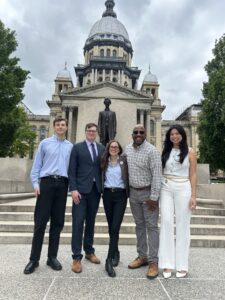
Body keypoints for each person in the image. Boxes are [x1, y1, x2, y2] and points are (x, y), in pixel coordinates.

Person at [24, 117, 73, 274]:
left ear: (66, 127)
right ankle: (34, 259)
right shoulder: (45, 144)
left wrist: (72, 188)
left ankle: (52, 257)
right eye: (58, 125)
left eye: (63, 125)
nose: (60, 127)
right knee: (40, 223)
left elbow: (71, 169)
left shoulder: (70, 147)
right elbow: (37, 166)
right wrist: (36, 184)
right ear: (54, 127)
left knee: (57, 223)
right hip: (46, 184)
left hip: (62, 186)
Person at [158, 124, 197, 279]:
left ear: (182, 135)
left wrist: (193, 196)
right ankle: (167, 263)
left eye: (177, 134)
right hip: (166, 187)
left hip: (183, 187)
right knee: (166, 222)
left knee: (182, 225)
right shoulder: (165, 151)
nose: (174, 136)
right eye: (171, 134)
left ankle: (182, 265)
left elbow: (193, 175)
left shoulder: (191, 152)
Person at [125, 124, 162, 280]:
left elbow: (157, 175)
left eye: (141, 132)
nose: (138, 134)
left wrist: (154, 197)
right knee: (139, 225)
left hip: (148, 194)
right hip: (133, 193)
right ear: (132, 134)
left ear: (145, 134)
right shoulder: (127, 149)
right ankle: (142, 256)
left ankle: (153, 261)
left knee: (152, 227)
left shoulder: (152, 151)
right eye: (135, 132)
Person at [69, 123, 105, 273]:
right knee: (78, 223)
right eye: (89, 130)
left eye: (94, 131)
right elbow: (71, 170)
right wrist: (73, 189)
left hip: (95, 191)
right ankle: (77, 257)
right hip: (80, 192)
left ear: (96, 133)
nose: (91, 133)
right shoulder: (77, 147)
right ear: (85, 132)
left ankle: (89, 251)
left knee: (91, 222)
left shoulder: (102, 148)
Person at [101, 140, 129, 277]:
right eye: (111, 147)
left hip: (120, 196)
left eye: (116, 147)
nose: (113, 149)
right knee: (110, 226)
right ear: (108, 148)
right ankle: (116, 252)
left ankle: (108, 260)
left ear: (119, 149)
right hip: (107, 195)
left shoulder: (124, 161)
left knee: (115, 228)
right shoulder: (103, 161)